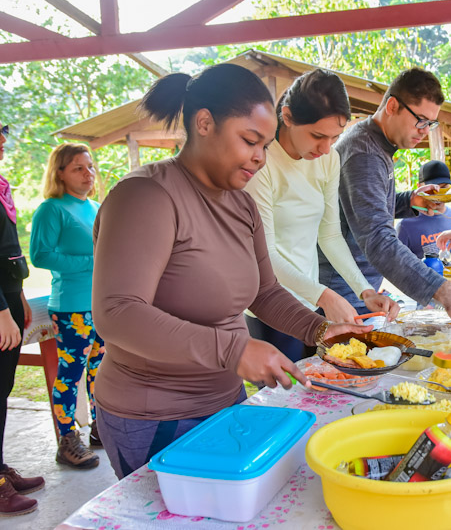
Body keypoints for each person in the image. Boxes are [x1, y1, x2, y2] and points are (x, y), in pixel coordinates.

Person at [91, 64, 368, 479]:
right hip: (154, 415)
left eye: (265, 144)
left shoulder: (241, 205)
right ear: (204, 123)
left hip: (225, 402)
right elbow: (117, 313)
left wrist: (321, 331)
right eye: (249, 141)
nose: (260, 157)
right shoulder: (146, 196)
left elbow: (265, 292)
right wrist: (233, 350)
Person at [244, 69, 398, 361]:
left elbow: (329, 235)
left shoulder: (329, 159)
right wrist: (325, 296)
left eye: (335, 137)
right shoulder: (261, 163)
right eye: (317, 136)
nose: (326, 148)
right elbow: (264, 255)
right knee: (288, 397)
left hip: (311, 301)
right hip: (272, 307)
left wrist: (364, 291)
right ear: (287, 117)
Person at [318, 68, 451, 321]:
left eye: (430, 123)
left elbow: (358, 207)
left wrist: (409, 201)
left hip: (359, 287)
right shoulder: (365, 154)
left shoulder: (378, 143)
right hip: (342, 291)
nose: (425, 130)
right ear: (392, 106)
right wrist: (445, 292)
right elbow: (378, 237)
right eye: (420, 120)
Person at [31, 143, 104, 470]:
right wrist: (92, 261)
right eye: (78, 168)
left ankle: (101, 428)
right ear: (60, 172)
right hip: (72, 308)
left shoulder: (97, 207)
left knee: (100, 370)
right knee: (70, 375)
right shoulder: (52, 209)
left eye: (90, 166)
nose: (88, 174)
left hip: (102, 304)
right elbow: (40, 255)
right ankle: (67, 439)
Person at [0, 122, 45, 516]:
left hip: (9, 300)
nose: (1, 140)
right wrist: (1, 309)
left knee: (3, 389)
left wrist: (17, 298)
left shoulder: (1, 186)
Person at [396, 160, 451, 262]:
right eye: (432, 189)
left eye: (444, 187)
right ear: (419, 187)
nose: (438, 194)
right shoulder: (405, 226)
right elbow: (398, 266)